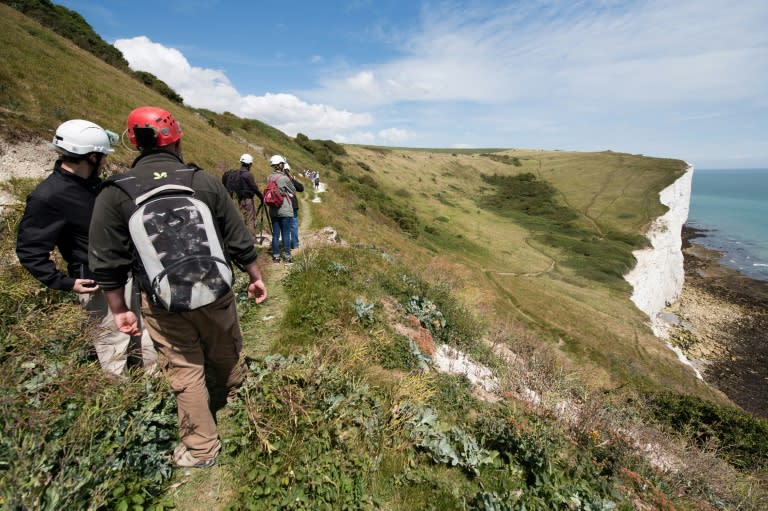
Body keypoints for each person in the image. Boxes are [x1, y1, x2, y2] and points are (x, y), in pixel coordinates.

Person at [88, 106, 268, 468]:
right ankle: (236, 392)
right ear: (178, 139)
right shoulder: (202, 181)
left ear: (134, 142)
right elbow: (237, 237)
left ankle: (201, 449)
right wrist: (255, 275)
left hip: (162, 300)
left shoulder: (116, 192)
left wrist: (119, 309)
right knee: (225, 343)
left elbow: (107, 259)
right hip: (216, 289)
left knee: (184, 368)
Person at [16, 119, 157, 377]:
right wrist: (65, 282)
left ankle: (152, 396)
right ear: (91, 156)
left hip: (127, 274)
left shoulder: (94, 186)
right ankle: (119, 407)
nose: (104, 161)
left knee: (142, 338)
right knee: (113, 347)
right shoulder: (49, 195)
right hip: (96, 281)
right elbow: (29, 250)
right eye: (102, 156)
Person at [266, 155, 297, 263]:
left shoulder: (269, 178)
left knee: (275, 234)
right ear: (280, 165)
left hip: (273, 210)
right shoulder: (284, 178)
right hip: (284, 209)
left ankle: (276, 257)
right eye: (282, 164)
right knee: (286, 234)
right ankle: (287, 257)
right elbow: (293, 190)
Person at [226, 153, 263, 232]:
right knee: (250, 219)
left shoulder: (236, 173)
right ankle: (251, 238)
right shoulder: (248, 174)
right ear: (249, 164)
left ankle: (243, 236)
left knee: (243, 218)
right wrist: (262, 198)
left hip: (240, 199)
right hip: (248, 200)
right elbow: (254, 188)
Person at [283, 162, 304, 251]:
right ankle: (295, 244)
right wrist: (293, 179)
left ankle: (286, 244)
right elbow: (301, 188)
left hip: (282, 205)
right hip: (292, 205)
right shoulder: (289, 179)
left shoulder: (277, 178)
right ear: (288, 170)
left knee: (284, 226)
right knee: (293, 225)